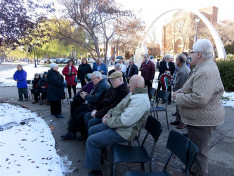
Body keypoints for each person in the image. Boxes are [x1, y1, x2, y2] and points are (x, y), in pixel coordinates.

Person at [173, 39, 225, 176]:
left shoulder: (205, 71)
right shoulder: (203, 67)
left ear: (199, 54)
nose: (190, 54)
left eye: (192, 51)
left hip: (203, 121)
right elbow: (196, 88)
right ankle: (193, 169)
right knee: (196, 149)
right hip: (200, 119)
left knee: (200, 153)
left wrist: (178, 97)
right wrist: (182, 91)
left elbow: (200, 98)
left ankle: (200, 172)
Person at [84, 75, 150, 176]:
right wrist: (109, 113)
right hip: (119, 126)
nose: (128, 85)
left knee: (91, 140)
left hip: (124, 132)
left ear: (135, 85)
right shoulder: (134, 93)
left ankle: (96, 171)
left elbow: (125, 121)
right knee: (92, 130)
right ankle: (97, 156)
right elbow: (119, 106)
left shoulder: (140, 100)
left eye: (130, 83)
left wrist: (108, 121)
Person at [61, 71, 110, 140]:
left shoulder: (103, 85)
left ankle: (83, 134)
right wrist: (86, 95)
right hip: (94, 105)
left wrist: (86, 96)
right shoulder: (99, 84)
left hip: (96, 107)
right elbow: (94, 96)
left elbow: (95, 99)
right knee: (76, 110)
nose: (92, 80)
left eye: (93, 78)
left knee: (79, 115)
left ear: (98, 78)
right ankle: (71, 132)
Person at [84, 71, 130, 137]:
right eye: (110, 80)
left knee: (91, 121)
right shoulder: (113, 87)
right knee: (87, 115)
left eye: (113, 80)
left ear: (120, 79)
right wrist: (95, 109)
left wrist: (97, 114)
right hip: (104, 111)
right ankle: (89, 138)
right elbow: (103, 100)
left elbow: (113, 107)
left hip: (110, 116)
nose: (111, 82)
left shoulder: (124, 91)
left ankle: (93, 140)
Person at [170, 54, 190, 129]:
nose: (175, 61)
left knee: (182, 108)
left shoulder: (184, 70)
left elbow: (180, 84)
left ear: (179, 61)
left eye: (176, 60)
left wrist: (174, 89)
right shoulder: (181, 67)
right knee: (178, 107)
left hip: (182, 91)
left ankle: (183, 123)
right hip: (179, 91)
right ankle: (178, 120)